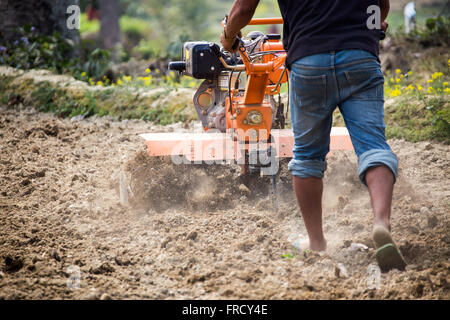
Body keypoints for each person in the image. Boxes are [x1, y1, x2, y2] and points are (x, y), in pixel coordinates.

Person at [220, 0, 407, 272]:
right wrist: (377, 22)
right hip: (360, 56)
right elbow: (382, 4)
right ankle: (381, 223)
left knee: (307, 156)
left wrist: (227, 36)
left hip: (309, 59)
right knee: (373, 147)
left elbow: (243, 10)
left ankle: (317, 242)